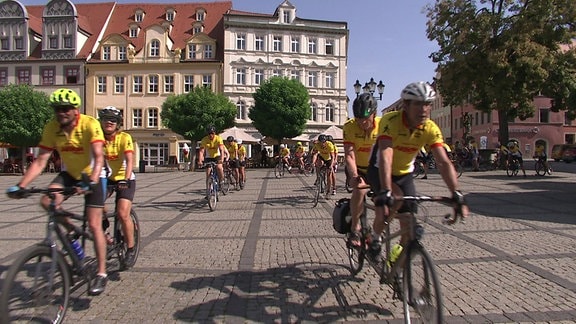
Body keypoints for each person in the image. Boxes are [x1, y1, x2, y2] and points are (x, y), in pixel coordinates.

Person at [6, 88, 109, 295]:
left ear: (75, 110)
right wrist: (22, 185)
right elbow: (41, 160)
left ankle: (101, 273)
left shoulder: (89, 124)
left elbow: (98, 157)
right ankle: (71, 230)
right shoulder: (52, 127)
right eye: (57, 109)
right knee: (47, 201)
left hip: (94, 175)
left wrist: (91, 181)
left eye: (65, 109)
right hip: (70, 173)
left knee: (94, 224)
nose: (61, 113)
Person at [366, 81, 468, 263]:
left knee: (409, 226)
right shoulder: (391, 121)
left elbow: (443, 162)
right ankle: (374, 238)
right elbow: (386, 156)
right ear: (406, 105)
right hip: (379, 168)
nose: (424, 109)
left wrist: (456, 193)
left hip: (405, 173)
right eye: (418, 104)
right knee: (389, 203)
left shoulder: (430, 128)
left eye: (427, 104)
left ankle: (396, 265)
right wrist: (386, 191)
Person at [98, 106, 137, 267]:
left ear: (118, 123)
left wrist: (125, 179)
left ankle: (130, 248)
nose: (109, 122)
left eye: (113, 120)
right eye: (106, 119)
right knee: (95, 206)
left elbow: (130, 161)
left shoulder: (124, 137)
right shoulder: (98, 139)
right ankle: (105, 230)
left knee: (122, 213)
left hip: (125, 179)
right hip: (108, 178)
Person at [343, 92, 380, 242]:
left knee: (384, 201)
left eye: (366, 119)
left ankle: (375, 234)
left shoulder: (383, 126)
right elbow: (349, 155)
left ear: (374, 114)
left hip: (375, 168)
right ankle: (354, 228)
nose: (362, 123)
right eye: (358, 119)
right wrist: (353, 176)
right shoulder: (349, 127)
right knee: (360, 188)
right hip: (357, 167)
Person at [198, 125, 226, 193]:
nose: (210, 135)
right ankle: (208, 191)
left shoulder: (218, 138)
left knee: (219, 167)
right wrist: (200, 160)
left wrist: (221, 160)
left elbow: (222, 150)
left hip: (217, 156)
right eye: (209, 133)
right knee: (208, 174)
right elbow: (201, 151)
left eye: (212, 133)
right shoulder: (204, 140)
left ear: (215, 133)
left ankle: (221, 181)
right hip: (209, 157)